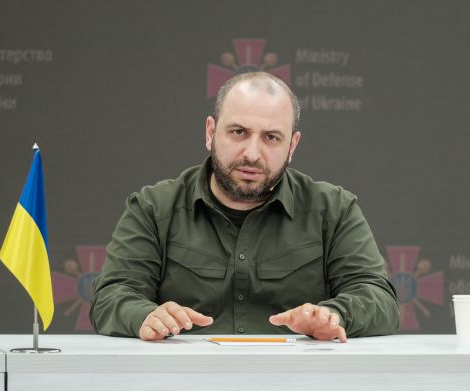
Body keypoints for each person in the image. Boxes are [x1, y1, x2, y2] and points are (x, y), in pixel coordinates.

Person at [90, 72, 399, 342]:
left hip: (299, 382)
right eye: (239, 132)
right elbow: (111, 296)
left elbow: (379, 299)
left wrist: (333, 315)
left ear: (292, 146)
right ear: (210, 132)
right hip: (184, 381)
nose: (252, 153)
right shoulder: (152, 208)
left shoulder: (333, 210)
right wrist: (145, 316)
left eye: (271, 138)